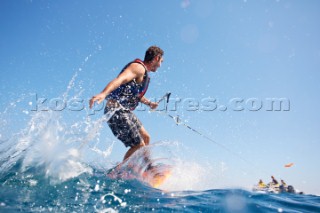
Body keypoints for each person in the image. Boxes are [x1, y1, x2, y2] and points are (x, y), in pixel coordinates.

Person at [89, 46, 164, 163]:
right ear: (157, 58)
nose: (160, 65)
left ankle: (146, 167)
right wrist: (103, 93)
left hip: (125, 111)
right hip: (115, 111)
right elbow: (120, 79)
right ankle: (120, 171)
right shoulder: (138, 67)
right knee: (138, 145)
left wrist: (149, 103)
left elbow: (137, 94)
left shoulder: (142, 73)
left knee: (146, 137)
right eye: (161, 61)